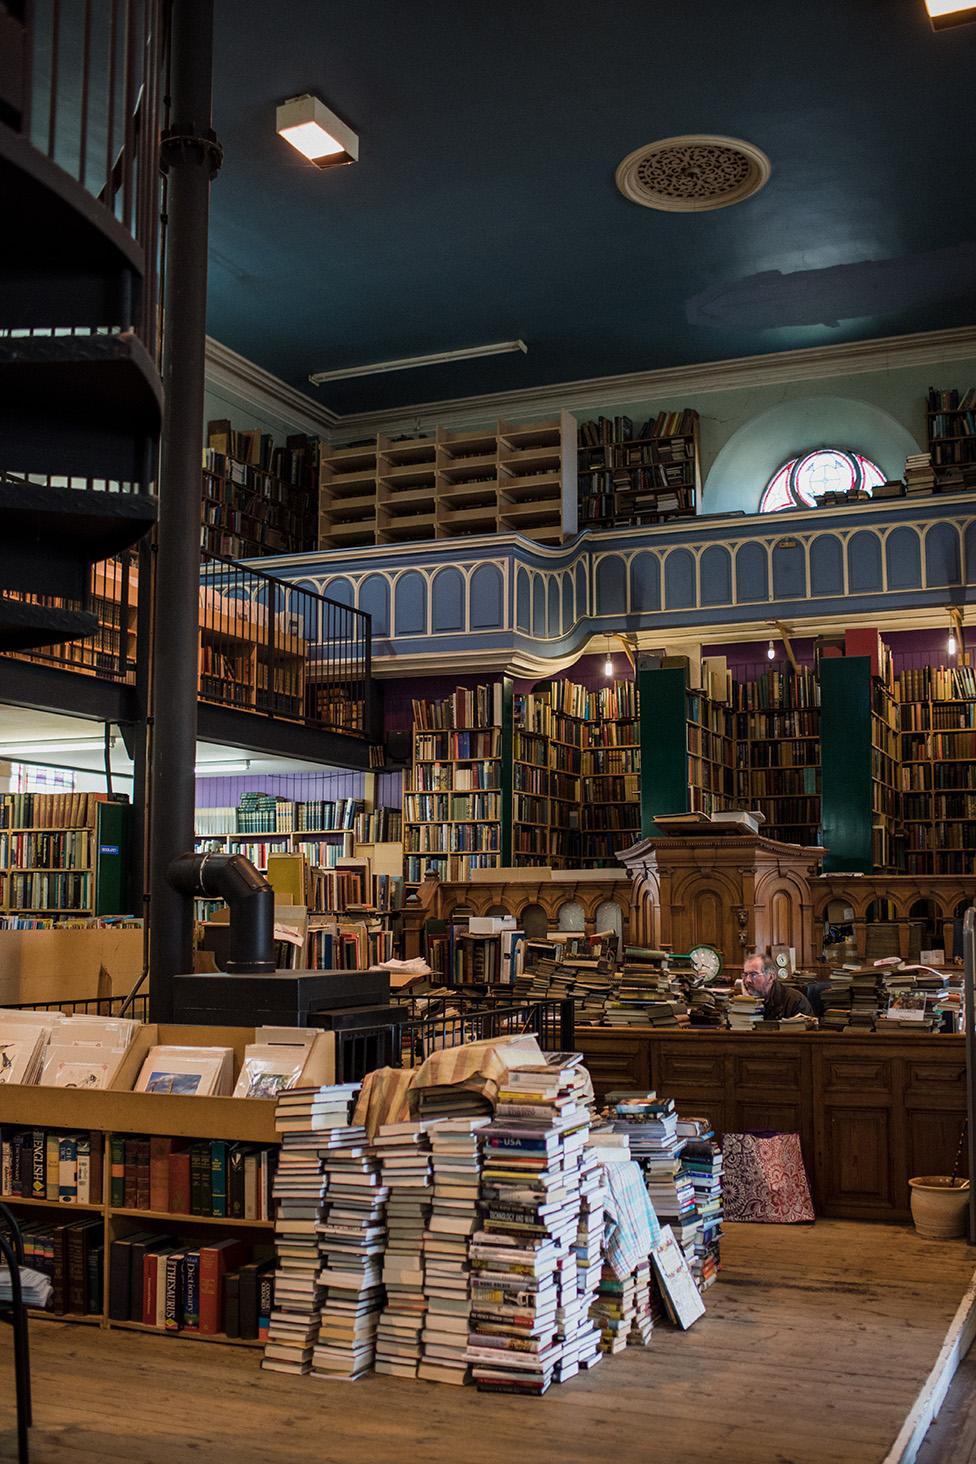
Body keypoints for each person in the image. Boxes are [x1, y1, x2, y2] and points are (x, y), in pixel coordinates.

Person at [741, 954, 814, 1020]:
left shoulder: (796, 1001)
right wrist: (748, 1004)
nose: (747, 980)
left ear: (771, 977)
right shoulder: (739, 1003)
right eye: (745, 975)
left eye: (753, 974)